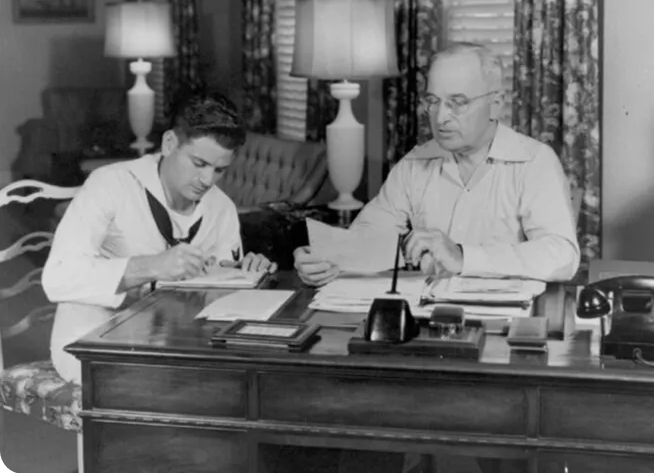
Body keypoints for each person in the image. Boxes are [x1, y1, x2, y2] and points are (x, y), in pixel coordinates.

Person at [294, 41, 580, 286]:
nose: (441, 117)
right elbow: (368, 236)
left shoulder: (534, 162)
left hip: (501, 331)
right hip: (424, 322)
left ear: (496, 104)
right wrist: (328, 259)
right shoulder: (415, 163)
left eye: (458, 102)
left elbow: (562, 256)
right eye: (433, 100)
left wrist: (462, 256)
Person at [42, 91, 277, 384]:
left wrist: (245, 271)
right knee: (173, 389)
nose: (207, 180)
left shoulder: (222, 208)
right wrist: (152, 266)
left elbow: (219, 292)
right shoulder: (110, 184)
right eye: (199, 163)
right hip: (92, 339)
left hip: (176, 340)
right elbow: (57, 277)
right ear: (169, 144)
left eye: (220, 170)